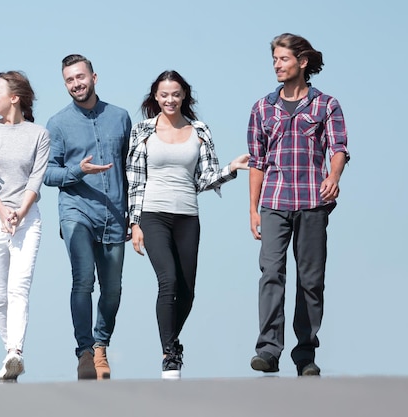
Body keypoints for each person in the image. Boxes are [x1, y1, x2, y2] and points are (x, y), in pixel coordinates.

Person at [127, 70, 249, 379]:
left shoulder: (200, 130)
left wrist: (231, 169)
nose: (170, 99)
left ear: (184, 96)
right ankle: (170, 353)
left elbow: (204, 178)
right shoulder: (142, 130)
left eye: (176, 94)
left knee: (187, 290)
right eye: (164, 94)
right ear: (155, 96)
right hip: (153, 214)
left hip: (187, 216)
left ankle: (171, 338)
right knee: (167, 281)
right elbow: (134, 180)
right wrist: (134, 223)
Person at [247, 33, 349, 376]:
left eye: (283, 59)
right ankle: (268, 350)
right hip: (274, 201)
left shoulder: (326, 105)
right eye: (274, 59)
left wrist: (333, 176)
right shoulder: (262, 108)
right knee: (271, 273)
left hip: (312, 201)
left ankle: (305, 354)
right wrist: (253, 209)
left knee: (310, 280)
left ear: (302, 62)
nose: (277, 65)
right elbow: (257, 162)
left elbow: (338, 148)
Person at [43, 54, 132, 380]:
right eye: (69, 80)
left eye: (81, 77)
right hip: (76, 212)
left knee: (112, 289)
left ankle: (100, 347)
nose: (76, 84)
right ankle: (83, 352)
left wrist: (133, 217)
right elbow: (47, 174)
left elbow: (131, 170)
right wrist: (77, 171)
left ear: (94, 77)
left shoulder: (120, 118)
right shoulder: (57, 124)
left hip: (113, 213)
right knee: (83, 278)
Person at [0, 71, 50, 382]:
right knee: (0, 293)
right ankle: (9, 351)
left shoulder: (39, 134)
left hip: (26, 218)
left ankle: (15, 353)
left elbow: (37, 177)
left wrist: (19, 211)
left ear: (14, 97)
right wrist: (3, 210)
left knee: (19, 287)